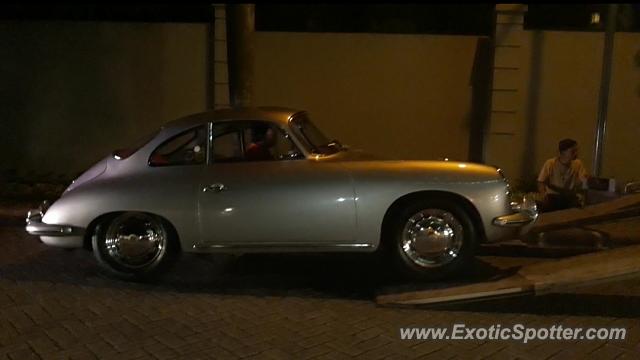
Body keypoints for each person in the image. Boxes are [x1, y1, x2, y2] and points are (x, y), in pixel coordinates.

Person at [537, 138, 590, 212]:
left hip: (569, 196)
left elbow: (583, 180)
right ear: (563, 152)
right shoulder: (550, 163)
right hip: (553, 196)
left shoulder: (577, 164)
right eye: (573, 151)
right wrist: (543, 194)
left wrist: (582, 192)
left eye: (576, 151)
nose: (576, 153)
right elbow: (541, 181)